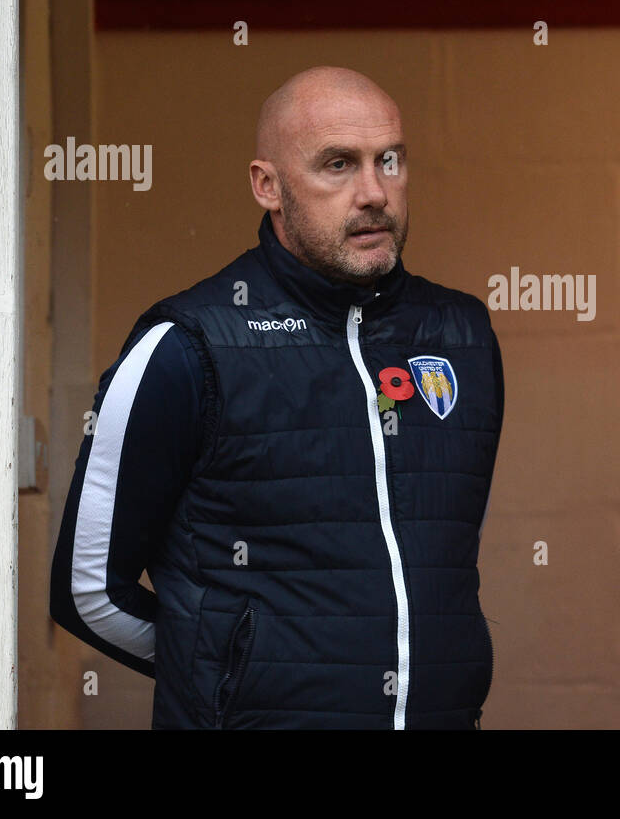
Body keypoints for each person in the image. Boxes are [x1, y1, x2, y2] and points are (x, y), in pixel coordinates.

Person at [50, 66, 504, 729]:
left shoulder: (461, 334)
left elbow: (441, 564)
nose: (374, 192)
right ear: (268, 185)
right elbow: (86, 590)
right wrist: (232, 677)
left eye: (390, 160)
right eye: (338, 165)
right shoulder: (187, 346)